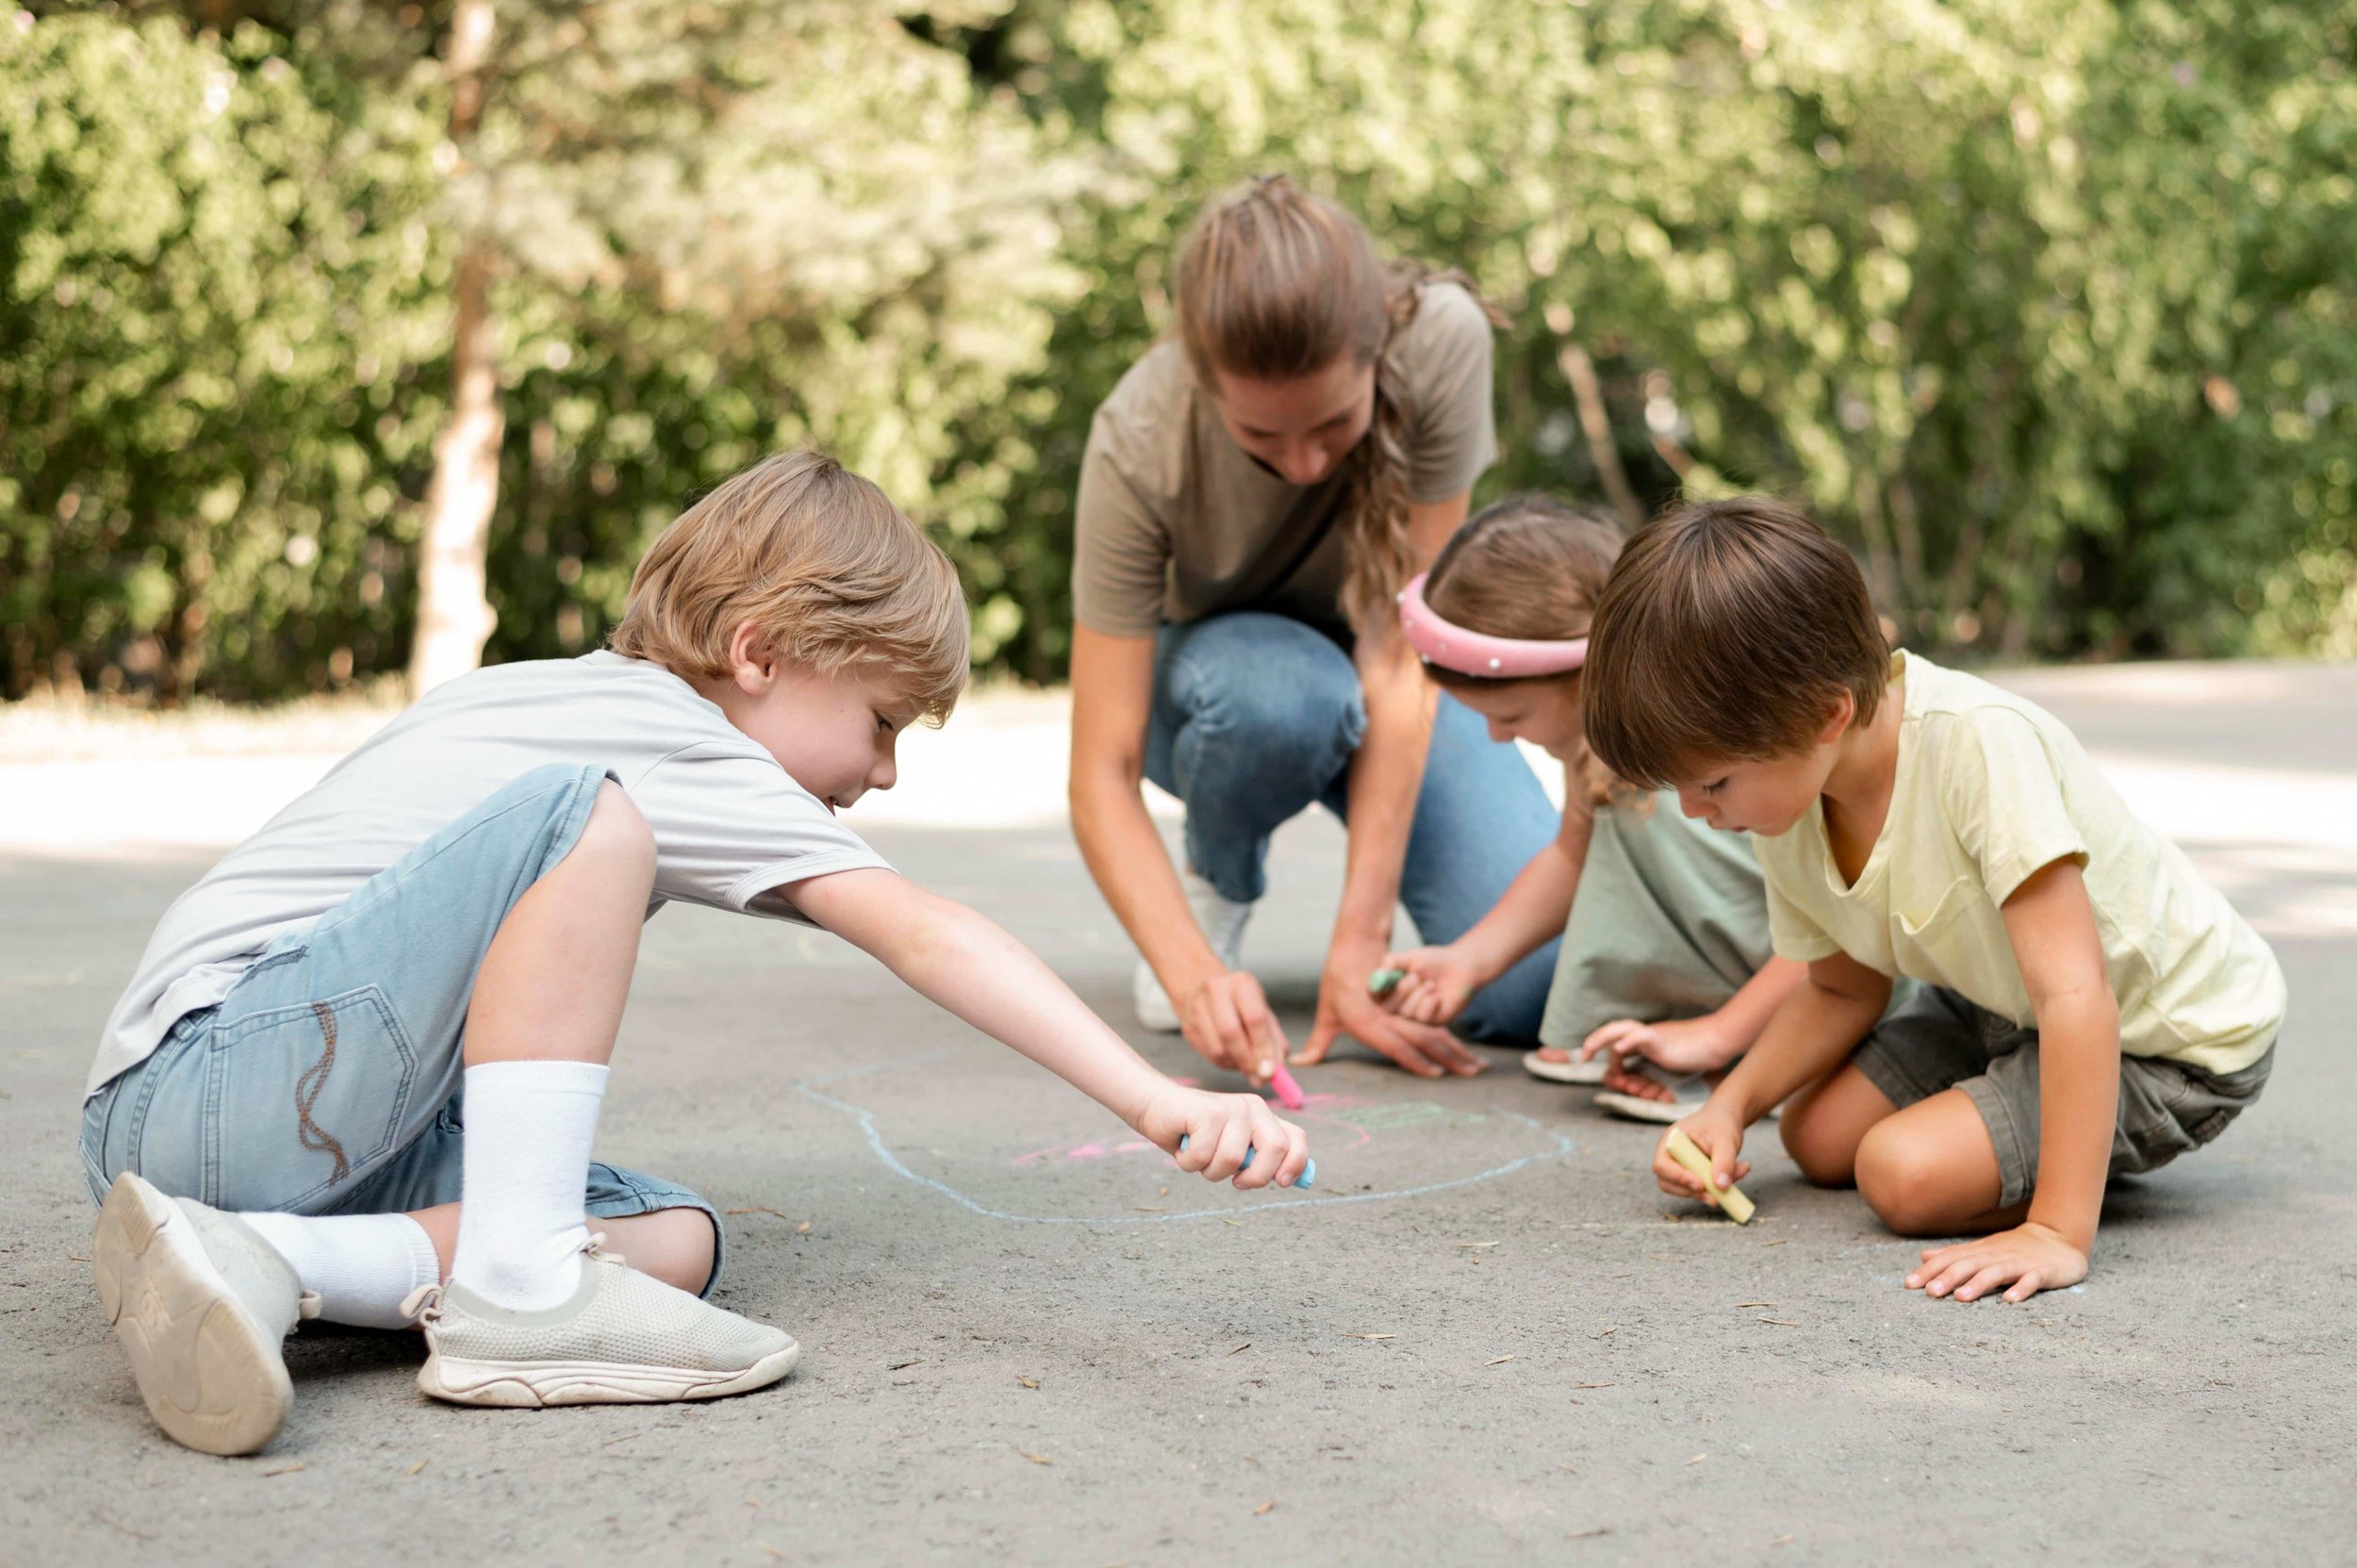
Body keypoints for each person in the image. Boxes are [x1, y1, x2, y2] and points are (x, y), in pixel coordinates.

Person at [81, 451, 1310, 1457]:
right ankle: (519, 1295)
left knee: (681, 1237)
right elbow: (924, 932)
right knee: (595, 817)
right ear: (759, 652)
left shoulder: (540, 695)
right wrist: (1155, 1097)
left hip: (251, 1134)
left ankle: (261, 1260)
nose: (881, 772)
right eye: (880, 723)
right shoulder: (659, 740)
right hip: (214, 1082)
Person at [1582, 497, 2283, 1302]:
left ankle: (2066, 1176)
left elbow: (2076, 994)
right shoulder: (1786, 794)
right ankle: (2021, 1141)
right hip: (2002, 1003)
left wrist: (2057, 1229)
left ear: (1825, 714)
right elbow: (1842, 987)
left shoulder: (1978, 745)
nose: (1693, 810)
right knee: (1816, 1137)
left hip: (2164, 1040)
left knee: (1899, 1173)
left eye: (1710, 782)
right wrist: (1730, 1106)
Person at [1068, 173, 1559, 1087]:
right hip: (1228, 688)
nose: (1302, 464)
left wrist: (1357, 945)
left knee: (1526, 986)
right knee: (1286, 693)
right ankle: (1217, 883)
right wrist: (1193, 977)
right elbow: (1100, 766)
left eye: (1333, 425)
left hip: (1393, 671)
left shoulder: (1442, 338)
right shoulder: (1137, 437)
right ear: (1204, 383)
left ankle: (1376, 949)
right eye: (1261, 437)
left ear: (1375, 349)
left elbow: (1402, 648)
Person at [1371, 495, 1810, 1122]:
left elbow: (1826, 928)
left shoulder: (1711, 761)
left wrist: (1723, 1030)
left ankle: (1747, 1042)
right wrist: (1467, 960)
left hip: (1815, 970)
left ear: (1583, 675)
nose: (1498, 737)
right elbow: (1570, 856)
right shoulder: (1595, 749)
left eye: (1511, 716)